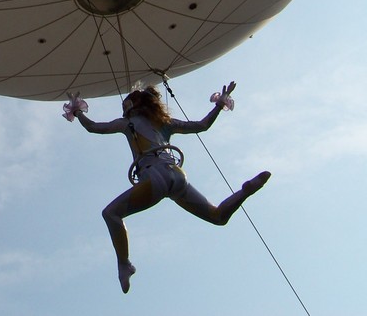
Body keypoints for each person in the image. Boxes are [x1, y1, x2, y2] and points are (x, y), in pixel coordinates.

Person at [66, 83, 270, 294]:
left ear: (132, 106)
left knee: (111, 214)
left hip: (155, 176)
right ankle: (245, 191)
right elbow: (203, 125)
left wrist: (77, 111)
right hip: (177, 175)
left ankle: (124, 264)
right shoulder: (165, 123)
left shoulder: (128, 124)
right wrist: (219, 104)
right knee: (217, 216)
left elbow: (92, 127)